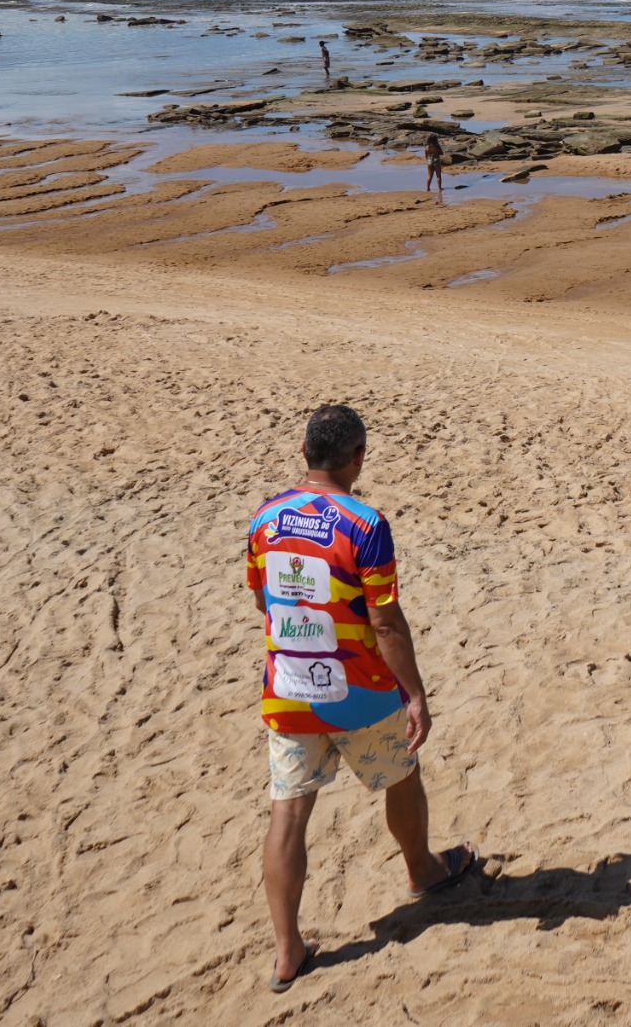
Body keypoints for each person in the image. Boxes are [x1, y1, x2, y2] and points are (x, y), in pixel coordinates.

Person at [249, 406, 470, 991]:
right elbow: (385, 622)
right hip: (359, 691)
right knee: (402, 776)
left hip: (290, 691)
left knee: (288, 812)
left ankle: (286, 949)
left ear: (303, 454)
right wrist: (416, 693)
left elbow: (262, 601)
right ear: (357, 459)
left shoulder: (265, 519)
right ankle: (423, 869)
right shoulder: (364, 523)